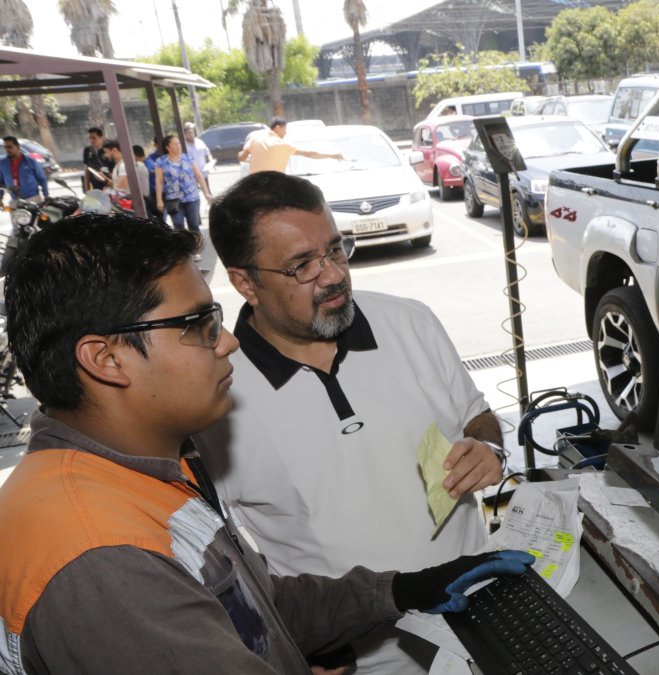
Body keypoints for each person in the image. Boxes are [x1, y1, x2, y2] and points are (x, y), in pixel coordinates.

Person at [0, 212, 533, 673]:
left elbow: (257, 610)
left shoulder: (141, 477)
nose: (228, 341)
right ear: (106, 359)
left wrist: (404, 590)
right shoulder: (103, 558)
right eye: (199, 325)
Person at [196, 171, 507, 674]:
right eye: (302, 265)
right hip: (362, 660)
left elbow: (477, 415)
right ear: (245, 282)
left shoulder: (411, 322)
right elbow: (224, 564)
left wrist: (490, 449)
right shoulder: (214, 397)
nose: (333, 276)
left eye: (336, 250)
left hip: (481, 615)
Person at [238, 117, 343, 174]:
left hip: (254, 183)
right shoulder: (282, 145)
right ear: (278, 128)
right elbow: (309, 154)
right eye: (284, 129)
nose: (286, 133)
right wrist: (331, 155)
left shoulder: (255, 137)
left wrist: (252, 158)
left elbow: (242, 157)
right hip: (274, 184)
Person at [155, 133, 212, 234]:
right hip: (173, 199)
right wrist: (159, 200)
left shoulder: (188, 158)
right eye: (175, 144)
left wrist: (206, 193)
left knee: (194, 225)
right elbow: (159, 182)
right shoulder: (161, 162)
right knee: (178, 225)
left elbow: (199, 176)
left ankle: (196, 243)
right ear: (167, 147)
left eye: (179, 144)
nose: (178, 146)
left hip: (192, 198)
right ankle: (184, 244)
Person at [0, 136, 50, 202]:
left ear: (18, 147)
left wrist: (46, 195)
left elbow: (42, 178)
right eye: (6, 147)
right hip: (15, 200)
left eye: (10, 147)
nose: (7, 150)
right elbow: (1, 183)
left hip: (33, 198)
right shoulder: (2, 164)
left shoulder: (30, 161)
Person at [184, 121, 214, 191]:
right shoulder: (183, 145)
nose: (191, 134)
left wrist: (211, 162)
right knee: (194, 193)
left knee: (207, 191)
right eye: (189, 133)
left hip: (203, 172)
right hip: (190, 175)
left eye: (192, 132)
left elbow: (207, 153)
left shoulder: (200, 142)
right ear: (185, 134)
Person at [81, 126, 113, 191]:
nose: (91, 141)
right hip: (96, 188)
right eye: (89, 138)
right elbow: (87, 170)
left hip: (109, 186)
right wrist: (87, 189)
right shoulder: (88, 150)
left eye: (94, 138)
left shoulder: (109, 150)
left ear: (101, 137)